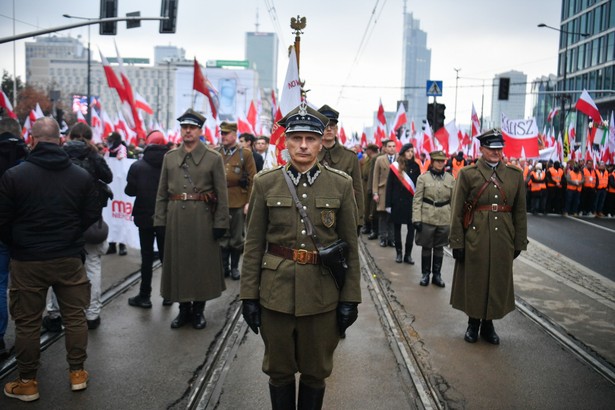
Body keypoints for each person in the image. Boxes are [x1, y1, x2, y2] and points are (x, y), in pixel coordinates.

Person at [240, 102, 361, 409]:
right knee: (279, 372)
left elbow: (351, 248)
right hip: (275, 295)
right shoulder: (265, 183)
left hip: (321, 297)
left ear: (322, 142)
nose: (303, 145)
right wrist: (248, 297)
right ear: (286, 142)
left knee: (315, 372)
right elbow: (253, 245)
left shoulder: (341, 183)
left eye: (311, 138)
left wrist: (350, 298)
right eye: (296, 138)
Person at [0, 117, 100, 401]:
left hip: (28, 259)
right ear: (61, 140)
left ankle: (28, 382)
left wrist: (19, 241)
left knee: (28, 322)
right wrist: (71, 234)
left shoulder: (14, 176)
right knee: (75, 317)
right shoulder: (80, 176)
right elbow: (91, 214)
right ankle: (77, 373)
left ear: (32, 139)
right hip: (68, 257)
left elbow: (2, 220)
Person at [449, 129, 528, 345]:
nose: (496, 152)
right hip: (475, 236)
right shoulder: (468, 174)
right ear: (482, 149)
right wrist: (457, 241)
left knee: (497, 281)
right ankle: (473, 323)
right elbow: (456, 210)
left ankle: (489, 324)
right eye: (491, 148)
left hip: (503, 237)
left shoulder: (514, 174)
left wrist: (519, 241)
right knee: (475, 280)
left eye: (499, 148)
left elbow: (519, 212)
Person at [154, 109, 229, 329]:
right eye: (184, 127)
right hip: (176, 218)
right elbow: (161, 193)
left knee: (201, 265)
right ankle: (183, 308)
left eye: (192, 127)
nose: (188, 131)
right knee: (179, 264)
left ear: (199, 130)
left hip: (202, 219)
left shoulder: (213, 158)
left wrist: (221, 223)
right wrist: (159, 220)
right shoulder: (169, 158)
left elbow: (221, 194)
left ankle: (198, 310)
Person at [43, 122, 113, 331]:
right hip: (90, 223)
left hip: (63, 221)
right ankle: (92, 315)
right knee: (92, 266)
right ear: (90, 137)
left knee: (59, 269)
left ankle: (55, 314)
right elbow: (108, 177)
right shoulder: (93, 156)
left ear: (70, 135)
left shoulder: (60, 154)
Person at [125, 130, 170, 308]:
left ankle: (145, 296)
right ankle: (168, 295)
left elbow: (130, 191)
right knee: (167, 257)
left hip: (144, 217)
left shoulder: (137, 166)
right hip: (164, 217)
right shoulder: (170, 166)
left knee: (147, 257)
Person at [0, 117, 28, 360]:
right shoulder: (28, 157)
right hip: (22, 232)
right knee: (24, 286)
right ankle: (25, 336)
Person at [217, 122, 257, 280]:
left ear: (234, 134)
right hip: (220, 201)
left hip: (238, 201)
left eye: (226, 134)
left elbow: (253, 179)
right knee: (222, 236)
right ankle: (223, 267)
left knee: (237, 238)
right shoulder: (217, 153)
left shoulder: (245, 154)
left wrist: (248, 202)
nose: (223, 136)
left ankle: (234, 267)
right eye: (222, 133)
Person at [317, 104, 364, 231]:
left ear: (336, 129)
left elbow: (358, 189)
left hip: (344, 215)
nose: (328, 129)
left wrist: (359, 219)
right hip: (314, 216)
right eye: (325, 126)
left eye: (332, 126)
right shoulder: (311, 155)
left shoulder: (349, 156)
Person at [412, 150, 455, 287]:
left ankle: (437, 275)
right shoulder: (423, 178)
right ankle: (425, 274)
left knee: (439, 248)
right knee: (426, 247)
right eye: (438, 161)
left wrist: (454, 221)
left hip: (444, 217)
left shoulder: (451, 179)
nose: (440, 164)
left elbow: (453, 201)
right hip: (427, 216)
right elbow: (417, 200)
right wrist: (416, 218)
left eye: (442, 161)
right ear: (432, 162)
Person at [385, 143, 420, 264]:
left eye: (412, 151)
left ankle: (408, 255)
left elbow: (418, 186)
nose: (410, 153)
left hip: (410, 203)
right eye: (408, 151)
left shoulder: (416, 167)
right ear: (403, 152)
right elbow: (389, 186)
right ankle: (399, 253)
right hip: (397, 202)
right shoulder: (395, 166)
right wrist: (388, 204)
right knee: (397, 228)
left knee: (411, 229)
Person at [105, 132, 128, 256]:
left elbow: (122, 161)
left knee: (121, 216)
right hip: (112, 187)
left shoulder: (122, 148)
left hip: (120, 189)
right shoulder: (109, 151)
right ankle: (112, 244)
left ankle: (122, 245)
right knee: (111, 217)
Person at [372, 140, 397, 247]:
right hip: (383, 191)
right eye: (389, 146)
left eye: (393, 146)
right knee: (382, 217)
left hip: (395, 193)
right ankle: (383, 238)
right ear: (385, 148)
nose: (392, 148)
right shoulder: (380, 159)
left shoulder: (399, 160)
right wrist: (375, 192)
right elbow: (375, 177)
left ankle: (392, 239)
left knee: (393, 217)